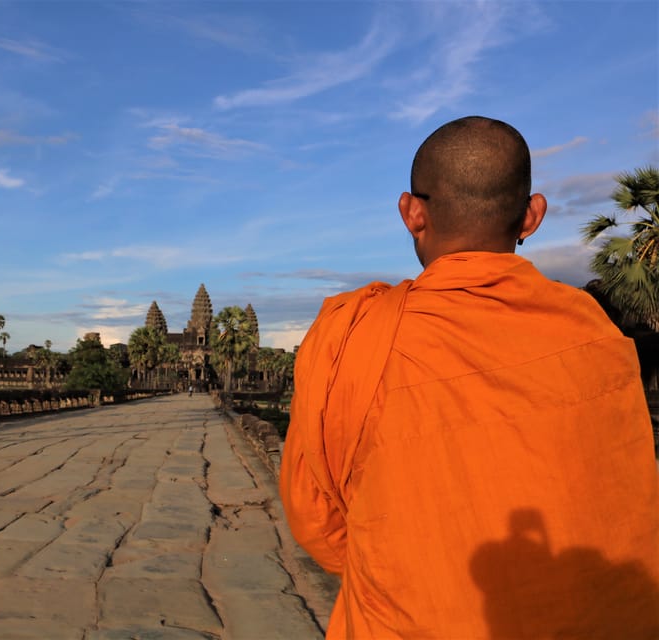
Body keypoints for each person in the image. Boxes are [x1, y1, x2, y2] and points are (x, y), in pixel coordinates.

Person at [279, 116, 658, 639]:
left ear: (412, 213)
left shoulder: (354, 336)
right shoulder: (595, 334)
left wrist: (408, 571)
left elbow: (316, 521)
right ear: (532, 216)